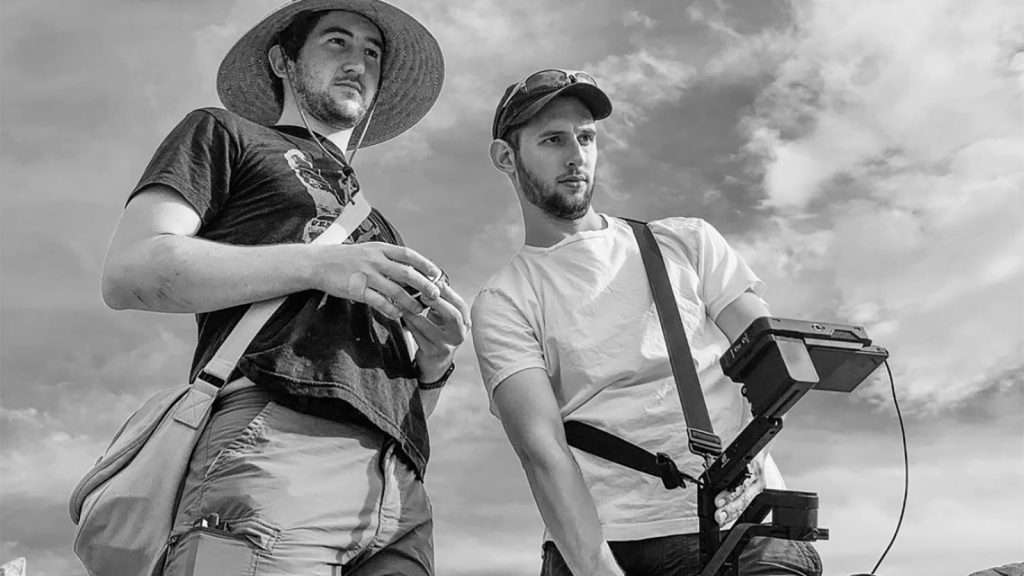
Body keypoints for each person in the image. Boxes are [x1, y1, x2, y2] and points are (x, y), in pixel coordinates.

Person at [100, 1, 469, 574]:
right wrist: (319, 267)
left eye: (372, 52)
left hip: (400, 495)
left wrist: (437, 357)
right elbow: (130, 271)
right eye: (337, 42)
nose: (358, 62)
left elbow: (400, 402)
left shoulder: (381, 228)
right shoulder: (224, 133)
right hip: (271, 446)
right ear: (282, 60)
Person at [471, 69, 823, 576]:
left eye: (586, 137)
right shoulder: (506, 299)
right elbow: (541, 450)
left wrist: (808, 362)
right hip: (616, 545)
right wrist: (598, 570)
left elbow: (769, 358)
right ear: (507, 156)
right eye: (553, 140)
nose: (576, 156)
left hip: (747, 531)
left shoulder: (686, 243)